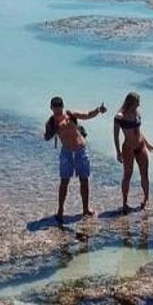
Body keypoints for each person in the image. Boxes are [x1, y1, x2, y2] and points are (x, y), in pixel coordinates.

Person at [44, 96, 106, 224]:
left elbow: (87, 115)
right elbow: (46, 137)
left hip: (81, 151)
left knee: (84, 180)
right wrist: (53, 130)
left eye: (59, 108)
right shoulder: (51, 123)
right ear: (51, 108)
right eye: (55, 109)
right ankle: (60, 210)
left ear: (62, 106)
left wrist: (98, 110)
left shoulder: (71, 114)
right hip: (66, 153)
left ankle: (85, 209)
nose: (57, 111)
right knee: (64, 182)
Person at [113, 91, 153, 212]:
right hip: (128, 148)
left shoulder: (137, 113)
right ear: (130, 102)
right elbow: (115, 135)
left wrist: (147, 143)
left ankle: (146, 199)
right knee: (128, 174)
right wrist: (118, 151)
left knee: (144, 174)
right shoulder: (119, 116)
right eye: (137, 102)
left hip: (140, 146)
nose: (139, 105)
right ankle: (125, 202)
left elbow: (139, 131)